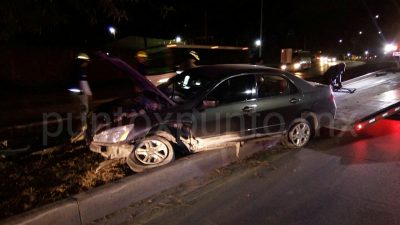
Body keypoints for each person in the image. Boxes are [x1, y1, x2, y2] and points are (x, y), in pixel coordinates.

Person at [68, 52, 92, 143]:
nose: (87, 64)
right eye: (86, 62)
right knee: (84, 112)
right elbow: (83, 84)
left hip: (73, 93)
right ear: (83, 62)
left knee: (80, 113)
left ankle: (79, 131)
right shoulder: (82, 70)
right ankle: (82, 133)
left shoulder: (73, 69)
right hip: (80, 94)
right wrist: (89, 95)